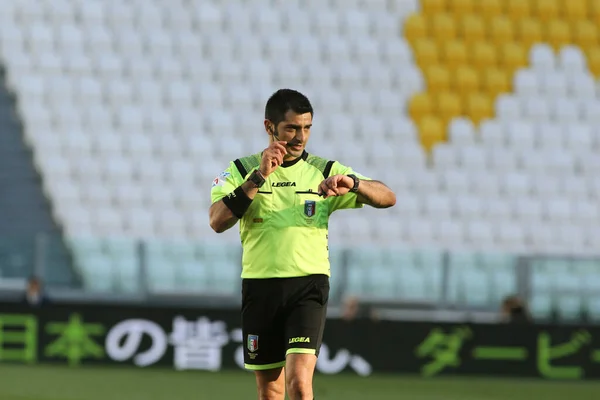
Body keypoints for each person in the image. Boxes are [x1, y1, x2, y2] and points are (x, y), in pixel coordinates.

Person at [209, 89, 396, 400]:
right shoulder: (242, 170)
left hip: (308, 285)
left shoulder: (324, 171)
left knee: (299, 383)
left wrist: (355, 184)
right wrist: (259, 177)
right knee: (270, 392)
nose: (300, 137)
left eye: (307, 128)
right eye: (292, 128)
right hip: (260, 286)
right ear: (269, 127)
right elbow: (217, 220)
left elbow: (388, 197)